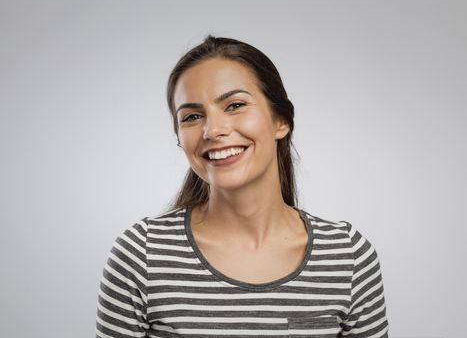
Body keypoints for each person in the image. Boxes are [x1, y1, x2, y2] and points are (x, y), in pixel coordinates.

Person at [95, 35, 389, 337]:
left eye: (234, 105)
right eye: (192, 117)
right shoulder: (141, 254)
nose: (213, 130)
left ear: (280, 121)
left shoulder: (347, 256)